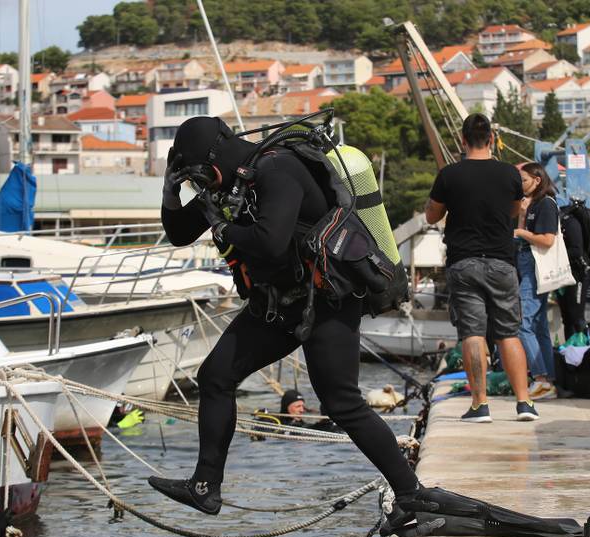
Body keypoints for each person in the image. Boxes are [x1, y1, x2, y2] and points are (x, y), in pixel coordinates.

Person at [147, 116, 422, 515]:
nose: (201, 187)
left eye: (198, 177)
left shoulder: (278, 168)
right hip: (282, 302)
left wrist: (222, 227)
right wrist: (171, 195)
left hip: (328, 299)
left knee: (341, 403)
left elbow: (270, 242)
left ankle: (411, 492)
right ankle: (205, 486)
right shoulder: (232, 184)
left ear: (213, 161)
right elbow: (180, 232)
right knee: (215, 377)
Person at [425, 113, 538, 424]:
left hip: (464, 262)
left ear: (463, 140)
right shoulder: (510, 175)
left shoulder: (450, 175)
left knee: (473, 333)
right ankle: (524, 402)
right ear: (491, 139)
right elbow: (515, 210)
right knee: (509, 332)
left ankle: (480, 405)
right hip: (502, 261)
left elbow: (431, 217)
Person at [513, 162, 559, 401]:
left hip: (535, 268)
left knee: (524, 324)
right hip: (527, 265)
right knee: (539, 326)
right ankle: (548, 380)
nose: (520, 185)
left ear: (537, 180)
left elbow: (548, 240)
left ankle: (540, 378)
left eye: (524, 180)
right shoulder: (530, 205)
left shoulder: (546, 205)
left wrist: (521, 233)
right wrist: (521, 216)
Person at [557, 200, 590, 339]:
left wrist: (556, 256)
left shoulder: (569, 222)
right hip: (563, 274)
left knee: (576, 316)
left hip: (578, 274)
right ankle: (570, 351)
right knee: (566, 317)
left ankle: (583, 351)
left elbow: (577, 250)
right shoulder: (557, 222)